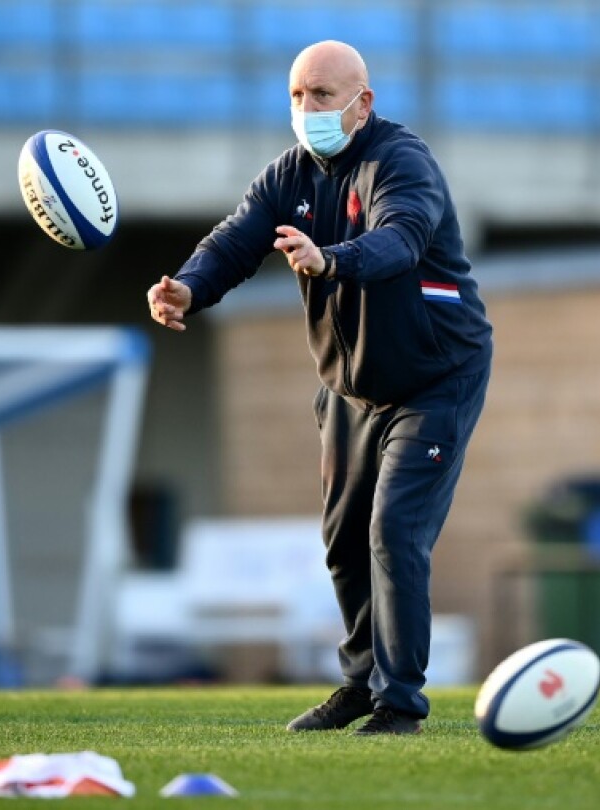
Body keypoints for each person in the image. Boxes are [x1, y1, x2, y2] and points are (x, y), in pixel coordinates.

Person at [147, 40, 492, 735]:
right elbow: (235, 240)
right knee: (342, 541)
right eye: (298, 96)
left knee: (394, 530)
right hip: (350, 387)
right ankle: (361, 684)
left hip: (434, 379)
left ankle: (400, 704)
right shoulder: (289, 174)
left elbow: (401, 240)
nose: (307, 110)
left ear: (363, 103)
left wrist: (329, 259)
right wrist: (188, 286)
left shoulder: (402, 163)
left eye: (323, 96)